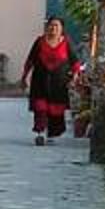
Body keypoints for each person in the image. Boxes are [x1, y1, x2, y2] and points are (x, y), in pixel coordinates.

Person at [22, 15, 75, 143]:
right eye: (51, 25)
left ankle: (51, 134)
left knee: (55, 111)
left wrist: (75, 76)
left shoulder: (66, 42)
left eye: (56, 26)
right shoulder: (39, 42)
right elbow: (30, 60)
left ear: (61, 28)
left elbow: (74, 61)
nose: (53, 28)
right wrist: (24, 77)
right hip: (40, 81)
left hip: (59, 83)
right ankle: (40, 133)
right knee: (40, 109)